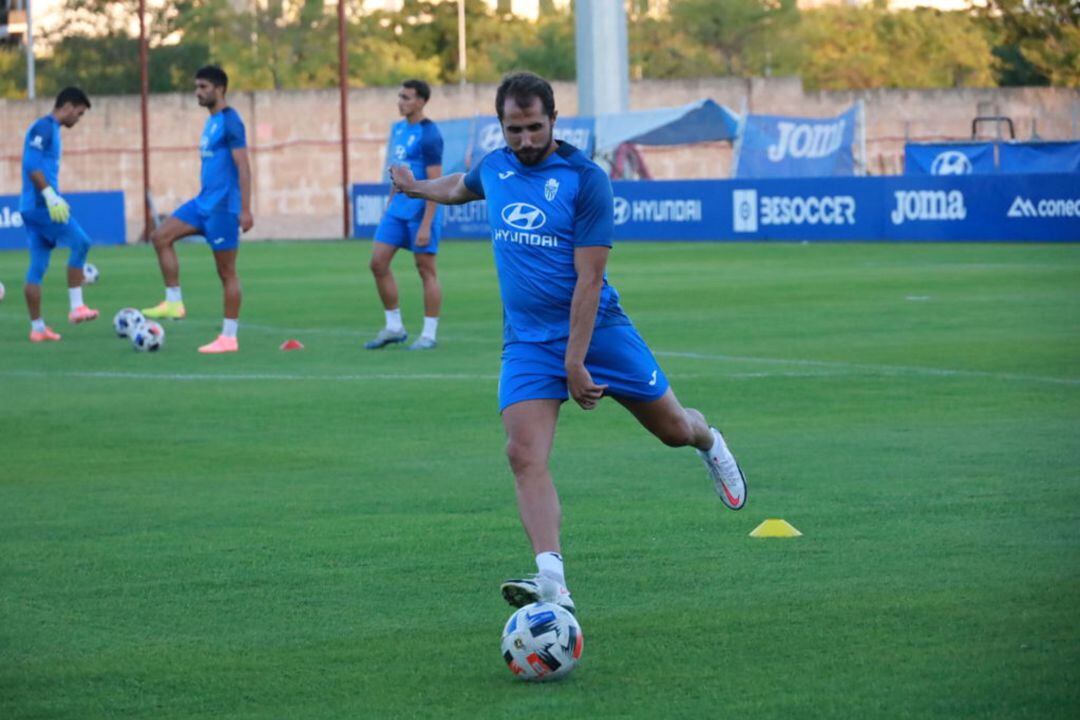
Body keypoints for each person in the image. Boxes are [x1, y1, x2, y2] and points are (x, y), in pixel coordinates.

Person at [390, 72, 747, 615]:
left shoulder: (586, 180)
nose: (526, 140)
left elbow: (590, 281)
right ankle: (552, 579)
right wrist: (415, 187)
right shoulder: (497, 166)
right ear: (501, 127)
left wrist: (575, 361)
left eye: (535, 127)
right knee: (522, 453)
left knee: (674, 429)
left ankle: (710, 440)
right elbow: (461, 185)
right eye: (514, 130)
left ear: (554, 121)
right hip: (528, 342)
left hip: (598, 333)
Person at [142, 65, 253, 354]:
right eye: (197, 87)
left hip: (223, 209)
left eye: (203, 87)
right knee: (160, 237)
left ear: (220, 89)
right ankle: (174, 302)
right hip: (202, 203)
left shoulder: (231, 122)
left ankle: (229, 337)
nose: (198, 93)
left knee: (226, 273)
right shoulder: (211, 121)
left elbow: (243, 166)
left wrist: (245, 209)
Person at [364, 79, 444, 351]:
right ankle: (394, 326)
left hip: (420, 210)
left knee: (425, 270)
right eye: (400, 96)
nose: (401, 102)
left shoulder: (430, 134)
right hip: (397, 210)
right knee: (377, 263)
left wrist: (426, 224)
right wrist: (389, 204)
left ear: (421, 101)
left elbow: (435, 181)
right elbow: (397, 171)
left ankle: (429, 334)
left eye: (407, 97)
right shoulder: (398, 130)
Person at [19, 86, 98, 342]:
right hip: (43, 207)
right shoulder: (43, 127)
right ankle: (77, 307)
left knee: (37, 268)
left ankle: (38, 328)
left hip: (31, 208)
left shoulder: (50, 130)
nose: (78, 118)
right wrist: (51, 197)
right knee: (82, 242)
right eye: (79, 113)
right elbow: (31, 165)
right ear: (67, 107)